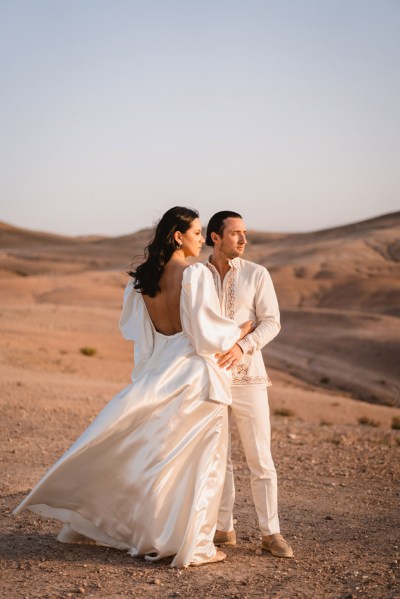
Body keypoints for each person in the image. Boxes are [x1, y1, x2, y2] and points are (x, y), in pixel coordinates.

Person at [14, 206, 254, 568]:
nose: (201, 239)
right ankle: (196, 546)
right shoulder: (197, 276)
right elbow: (207, 335)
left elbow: (140, 337)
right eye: (197, 232)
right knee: (201, 465)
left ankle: (150, 533)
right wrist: (241, 331)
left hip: (160, 372)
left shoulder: (141, 280)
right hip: (194, 378)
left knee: (156, 462)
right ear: (178, 236)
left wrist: (151, 373)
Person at [205, 210, 293, 558]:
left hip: (250, 377)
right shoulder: (196, 275)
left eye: (245, 233)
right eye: (235, 233)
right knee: (218, 457)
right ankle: (223, 529)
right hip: (210, 377)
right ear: (215, 237)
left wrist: (243, 345)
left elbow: (271, 322)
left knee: (260, 458)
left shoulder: (257, 274)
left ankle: (270, 532)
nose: (243, 240)